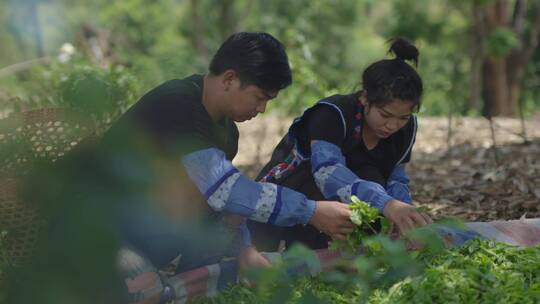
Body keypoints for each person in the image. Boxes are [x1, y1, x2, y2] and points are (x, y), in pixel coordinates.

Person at [96, 32, 355, 303]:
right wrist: (310, 211)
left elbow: (221, 205)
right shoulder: (176, 104)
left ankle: (188, 285)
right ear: (230, 79)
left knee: (229, 223)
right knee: (145, 292)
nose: (263, 109)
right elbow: (226, 190)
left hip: (153, 230)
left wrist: (244, 250)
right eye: (259, 97)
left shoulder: (227, 132)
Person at [249, 37, 433, 251]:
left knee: (373, 179)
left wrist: (406, 215)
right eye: (385, 115)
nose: (392, 126)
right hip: (292, 198)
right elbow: (327, 174)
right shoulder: (333, 113)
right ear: (365, 98)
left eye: (402, 118)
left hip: (351, 204)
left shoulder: (407, 129)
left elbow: (396, 179)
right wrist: (387, 204)